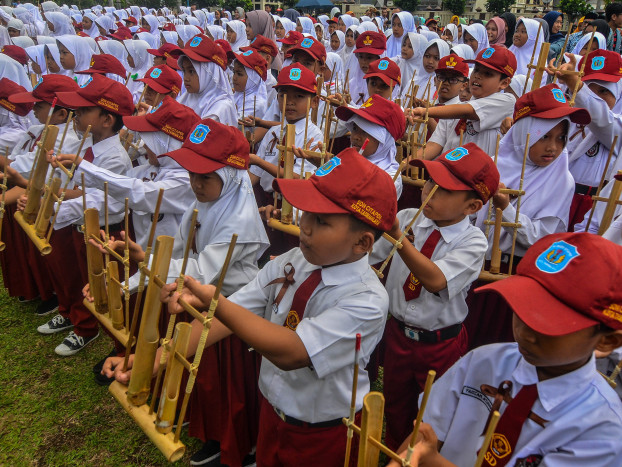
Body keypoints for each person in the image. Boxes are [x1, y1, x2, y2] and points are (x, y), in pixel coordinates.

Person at [107, 147, 398, 467]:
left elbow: (291, 351)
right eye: (306, 213)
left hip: (321, 436)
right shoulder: (292, 260)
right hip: (270, 414)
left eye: (322, 221)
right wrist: (157, 360)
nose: (306, 226)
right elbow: (230, 314)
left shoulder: (367, 301)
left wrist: (212, 301)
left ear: (363, 243)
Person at [388, 232, 622, 467]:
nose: (526, 332)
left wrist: (432, 462)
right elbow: (426, 433)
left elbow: (427, 455)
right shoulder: (483, 361)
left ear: (607, 341)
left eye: (550, 323)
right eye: (524, 308)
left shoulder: (602, 430)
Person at [371, 142, 498, 450]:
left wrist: (401, 240)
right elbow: (370, 255)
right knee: (396, 408)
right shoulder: (410, 216)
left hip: (440, 344)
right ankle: (393, 453)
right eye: (430, 180)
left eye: (444, 189)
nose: (429, 191)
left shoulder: (473, 241)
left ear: (472, 207)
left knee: (432, 420)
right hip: (398, 335)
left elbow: (435, 279)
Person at [466, 84, 590, 350]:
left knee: (493, 346)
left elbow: (543, 239)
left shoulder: (561, 180)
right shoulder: (492, 163)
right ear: (524, 133)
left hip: (514, 276)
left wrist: (505, 209)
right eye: (544, 136)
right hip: (474, 265)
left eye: (560, 137)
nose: (553, 148)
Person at [34, 74, 134, 356]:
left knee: (105, 291)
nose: (76, 114)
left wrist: (54, 207)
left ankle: (107, 341)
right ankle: (81, 322)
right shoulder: (91, 148)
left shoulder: (113, 156)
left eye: (84, 110)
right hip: (85, 227)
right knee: (81, 280)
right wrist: (57, 194)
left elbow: (102, 201)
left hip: (107, 233)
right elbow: (83, 189)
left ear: (107, 119)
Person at [415, 45, 516, 160]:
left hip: (478, 176)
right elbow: (433, 145)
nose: (478, 76)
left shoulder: (507, 102)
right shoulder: (455, 110)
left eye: (487, 74)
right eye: (476, 70)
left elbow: (469, 111)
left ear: (504, 83)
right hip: (447, 173)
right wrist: (402, 166)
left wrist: (424, 111)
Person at [335, 94, 405, 196]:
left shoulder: (391, 179)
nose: (355, 137)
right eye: (354, 128)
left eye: (365, 131)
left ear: (384, 141)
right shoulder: (344, 159)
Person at [177, 34, 237, 125]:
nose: (186, 78)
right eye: (184, 71)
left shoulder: (220, 108)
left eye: (192, 71)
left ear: (209, 74)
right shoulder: (186, 98)